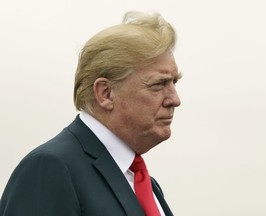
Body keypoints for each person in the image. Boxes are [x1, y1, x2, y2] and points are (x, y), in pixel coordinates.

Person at [0, 10, 181, 216]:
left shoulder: (144, 183)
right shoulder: (51, 168)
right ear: (105, 93)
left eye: (174, 82)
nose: (175, 99)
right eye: (159, 84)